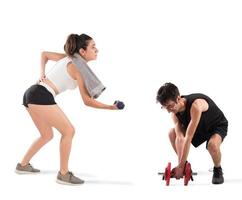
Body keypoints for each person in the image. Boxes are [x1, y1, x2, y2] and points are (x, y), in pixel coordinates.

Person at [16, 33, 124, 185]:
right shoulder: (77, 68)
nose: (97, 50)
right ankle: (64, 174)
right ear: (82, 52)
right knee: (69, 131)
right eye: (93, 47)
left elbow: (44, 55)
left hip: (32, 93)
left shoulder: (69, 58)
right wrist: (111, 108)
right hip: (40, 95)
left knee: (47, 135)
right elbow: (87, 101)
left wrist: (42, 74)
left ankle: (23, 165)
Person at [156, 82, 228, 184]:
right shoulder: (174, 114)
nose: (168, 111)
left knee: (212, 145)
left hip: (215, 126)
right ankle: (184, 166)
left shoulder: (196, 105)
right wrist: (181, 166)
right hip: (198, 128)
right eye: (165, 107)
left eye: (170, 106)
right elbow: (180, 138)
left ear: (178, 98)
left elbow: (188, 137)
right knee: (172, 133)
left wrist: (179, 167)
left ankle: (218, 169)